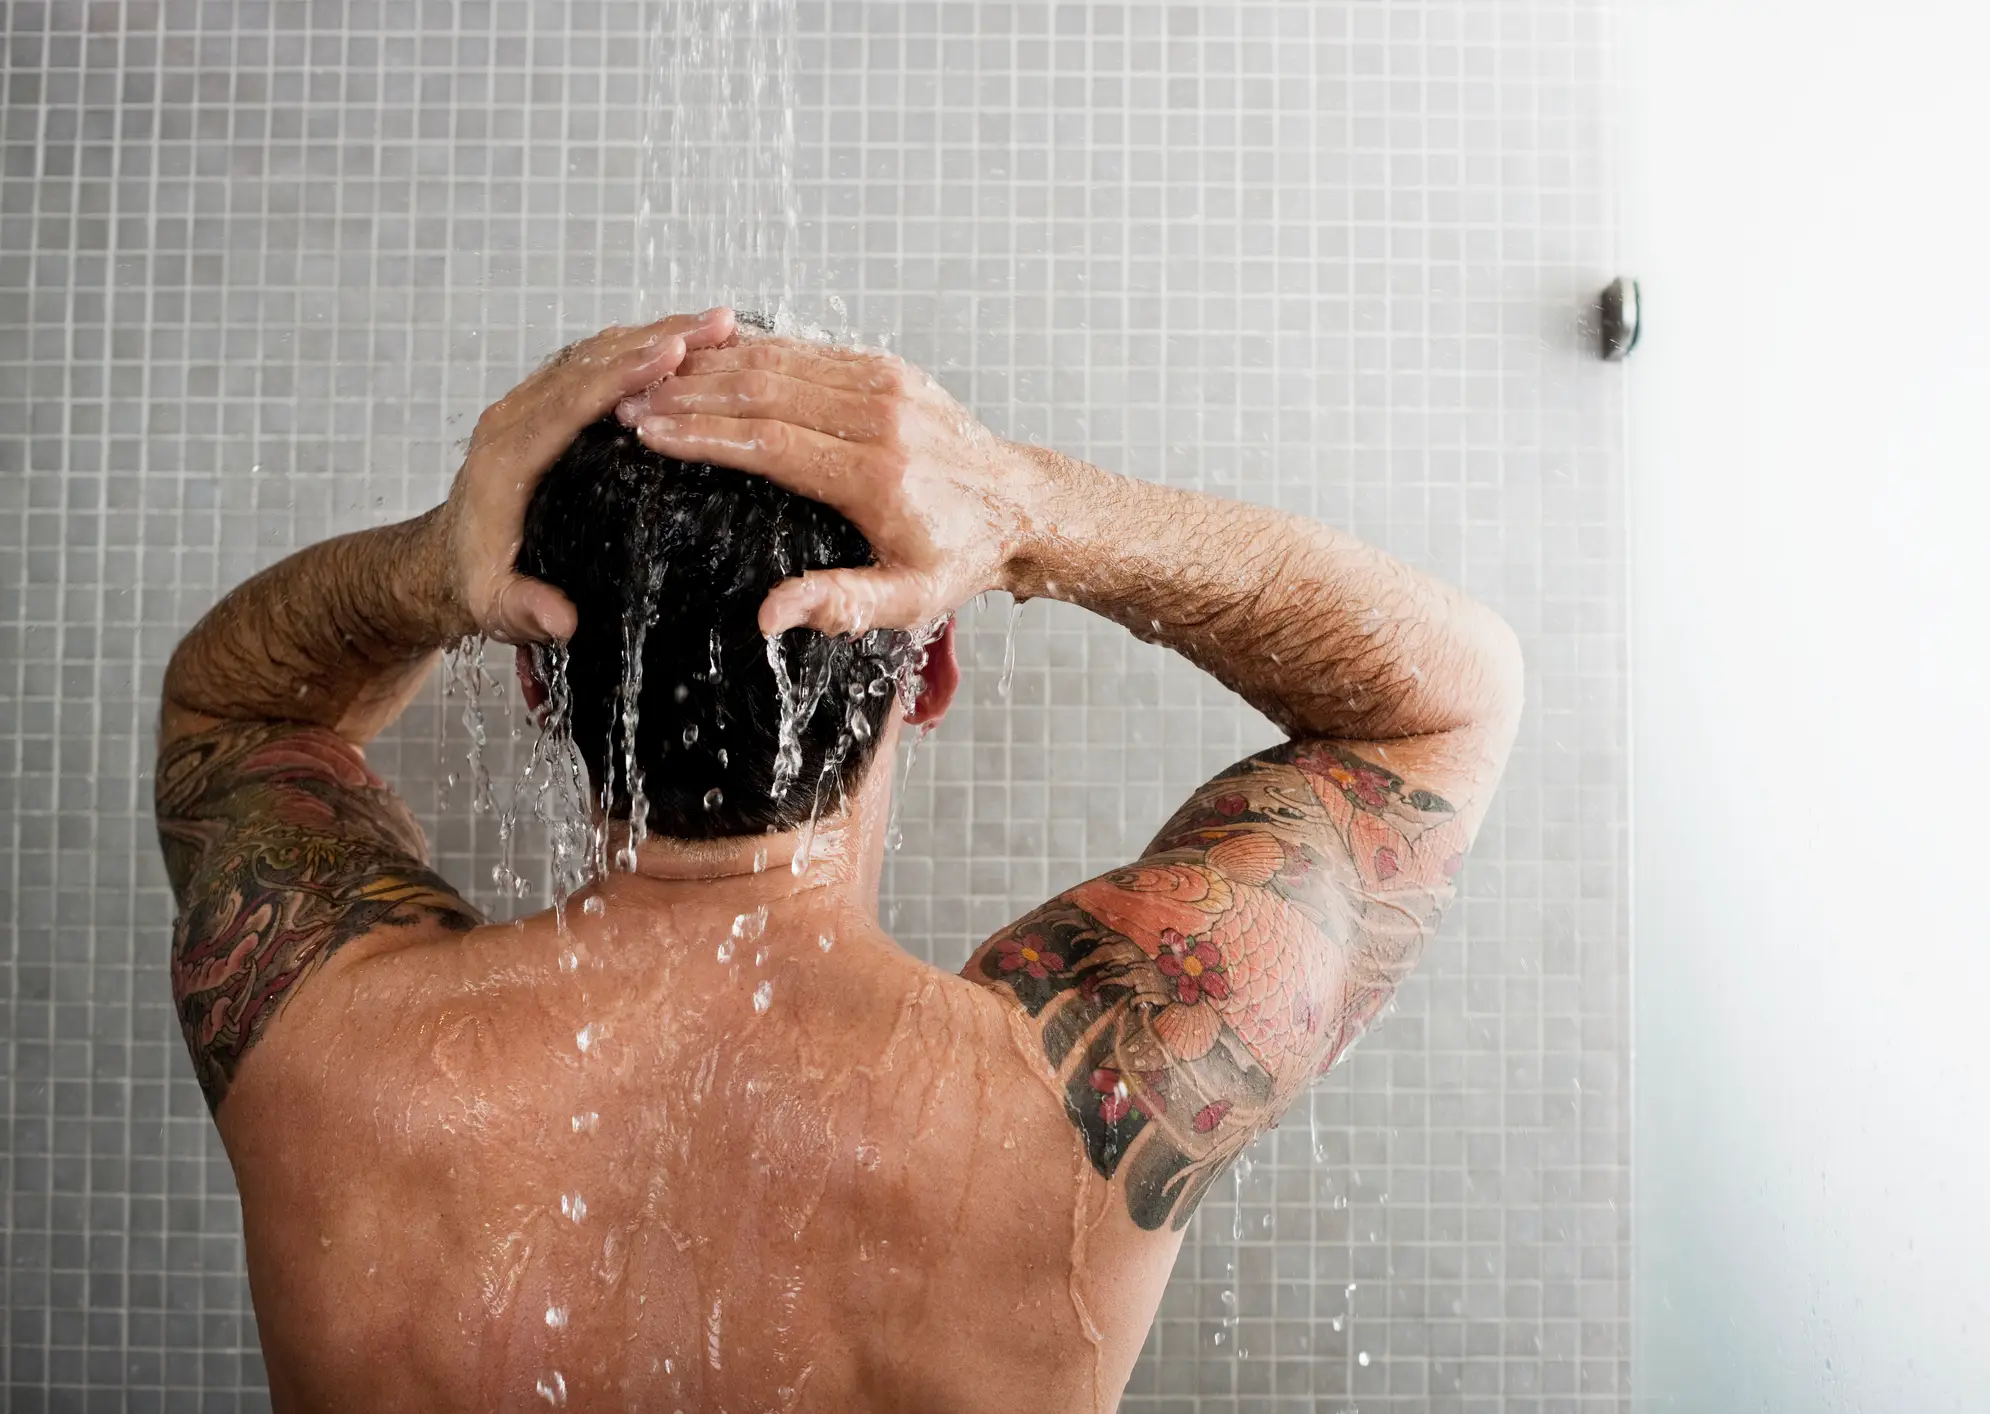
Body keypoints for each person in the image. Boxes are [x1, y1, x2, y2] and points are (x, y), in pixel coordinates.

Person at [155, 307, 1523, 1413]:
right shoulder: (1088, 1096)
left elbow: (239, 709)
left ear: (529, 678)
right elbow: (1446, 699)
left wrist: (428, 565)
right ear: (927, 668)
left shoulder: (326, 1046)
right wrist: (1029, 510)